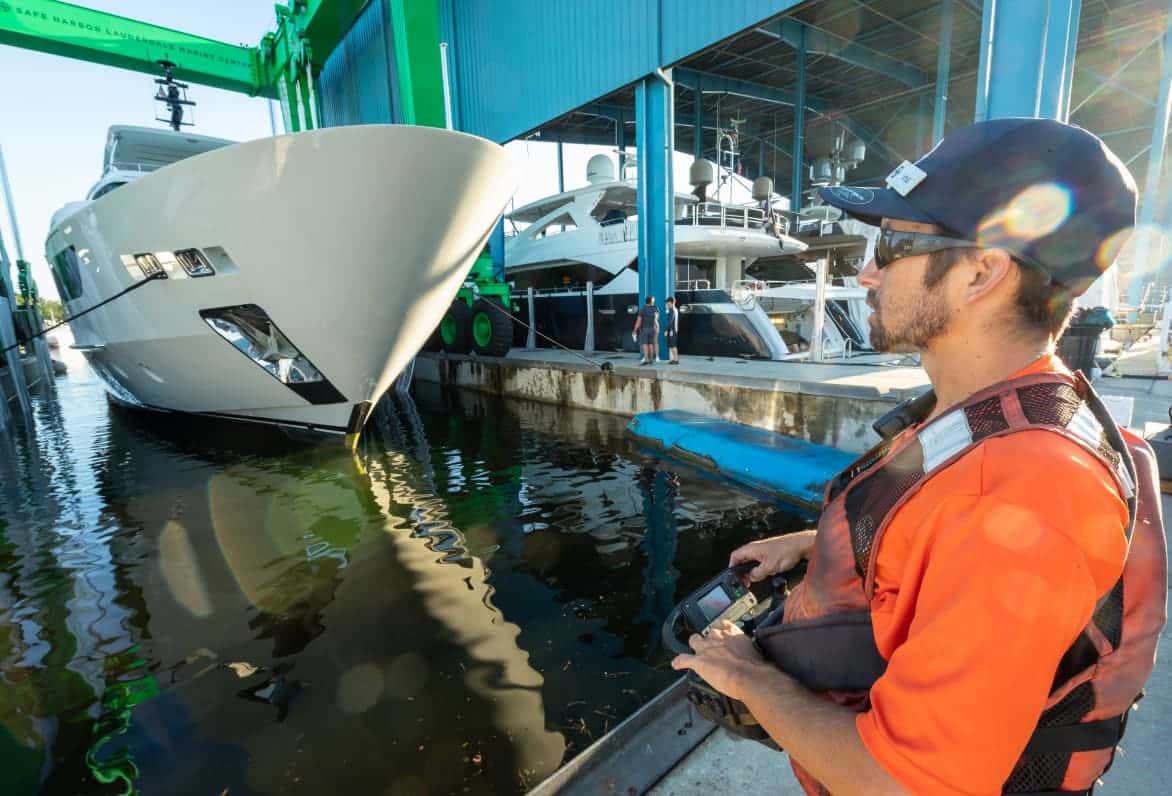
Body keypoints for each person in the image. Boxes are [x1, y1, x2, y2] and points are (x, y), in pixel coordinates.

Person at [671, 118, 1167, 795]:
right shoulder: (999, 410)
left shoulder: (1022, 495)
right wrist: (815, 546)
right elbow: (941, 533)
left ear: (980, 274)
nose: (867, 272)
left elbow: (904, 784)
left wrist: (752, 680)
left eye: (892, 245)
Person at [633, 295, 659, 365]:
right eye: (653, 301)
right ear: (651, 301)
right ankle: (651, 360)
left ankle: (646, 360)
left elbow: (638, 322)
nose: (654, 302)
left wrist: (634, 330)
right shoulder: (654, 309)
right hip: (652, 329)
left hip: (644, 329)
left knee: (645, 344)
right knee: (651, 344)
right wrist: (656, 327)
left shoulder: (642, 310)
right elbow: (656, 319)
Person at [664, 296, 680, 364]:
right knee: (671, 345)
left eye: (667, 302)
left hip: (672, 330)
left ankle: (676, 360)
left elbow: (670, 321)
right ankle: (673, 359)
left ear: (671, 302)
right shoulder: (673, 309)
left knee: (673, 345)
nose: (667, 304)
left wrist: (666, 330)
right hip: (672, 330)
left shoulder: (672, 310)